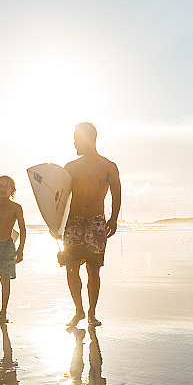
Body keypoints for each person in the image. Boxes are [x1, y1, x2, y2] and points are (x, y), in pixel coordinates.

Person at [63, 122, 121, 328]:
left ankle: (91, 313)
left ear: (89, 139)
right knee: (71, 268)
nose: (74, 143)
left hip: (96, 222)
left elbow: (116, 195)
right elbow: (59, 199)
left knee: (93, 270)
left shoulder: (108, 166)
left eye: (76, 138)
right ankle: (78, 310)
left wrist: (113, 218)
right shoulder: (70, 168)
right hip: (73, 222)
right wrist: (56, 225)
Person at [0, 175, 25, 324]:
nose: (2, 188)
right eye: (0, 186)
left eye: (6, 186)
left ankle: (3, 312)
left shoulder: (16, 207)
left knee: (5, 280)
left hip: (7, 245)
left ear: (12, 189)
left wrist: (20, 249)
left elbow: (22, 229)